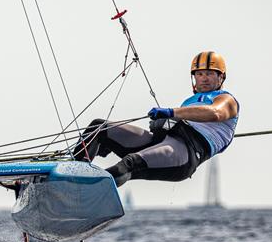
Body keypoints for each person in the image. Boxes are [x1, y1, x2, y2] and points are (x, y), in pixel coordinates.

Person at [72, 51, 239, 186]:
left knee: (129, 163)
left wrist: (171, 113)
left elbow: (215, 113)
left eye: (210, 74)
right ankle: (71, 175)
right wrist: (162, 123)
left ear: (221, 77)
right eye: (200, 73)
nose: (204, 78)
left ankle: (85, 191)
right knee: (99, 129)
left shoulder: (226, 100)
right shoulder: (189, 102)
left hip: (187, 152)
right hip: (162, 140)